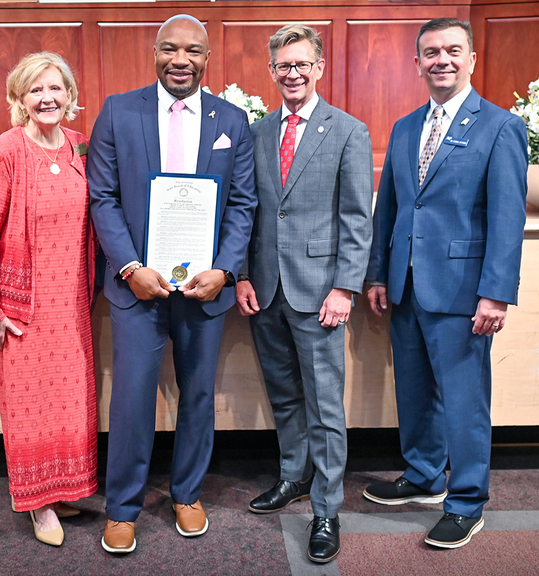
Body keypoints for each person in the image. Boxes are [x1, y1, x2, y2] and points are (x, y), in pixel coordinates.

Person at [87, 14, 256, 554]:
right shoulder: (118, 111)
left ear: (208, 58)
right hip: (137, 284)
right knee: (132, 397)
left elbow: (243, 204)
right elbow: (103, 198)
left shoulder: (232, 118)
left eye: (192, 51)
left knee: (199, 395)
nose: (179, 60)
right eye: (168, 49)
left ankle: (186, 493)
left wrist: (226, 271)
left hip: (204, 288)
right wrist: (130, 268)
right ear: (154, 53)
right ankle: (123, 507)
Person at [363, 18, 528, 549]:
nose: (442, 60)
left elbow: (508, 218)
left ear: (473, 59)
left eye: (453, 51)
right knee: (413, 392)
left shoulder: (501, 127)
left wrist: (496, 293)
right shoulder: (407, 126)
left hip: (462, 290)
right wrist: (377, 274)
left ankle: (467, 500)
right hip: (406, 284)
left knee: (463, 400)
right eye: (431, 52)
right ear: (417, 63)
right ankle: (425, 476)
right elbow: (387, 206)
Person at [235, 24, 372, 564]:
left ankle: (326, 507)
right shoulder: (258, 131)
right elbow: (245, 213)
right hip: (266, 289)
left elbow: (358, 218)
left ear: (319, 68)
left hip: (321, 293)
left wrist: (345, 287)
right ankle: (293, 477)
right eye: (282, 66)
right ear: (271, 73)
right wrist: (243, 275)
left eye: (301, 65)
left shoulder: (348, 130)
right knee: (285, 394)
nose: (292, 74)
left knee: (324, 403)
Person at [0, 52, 98, 547]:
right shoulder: (4, 150)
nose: (47, 98)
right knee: (28, 407)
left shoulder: (81, 146)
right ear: (18, 99)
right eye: (35, 90)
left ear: (69, 94)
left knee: (69, 403)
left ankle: (63, 490)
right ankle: (37, 504)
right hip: (22, 307)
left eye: (55, 89)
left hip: (72, 306)